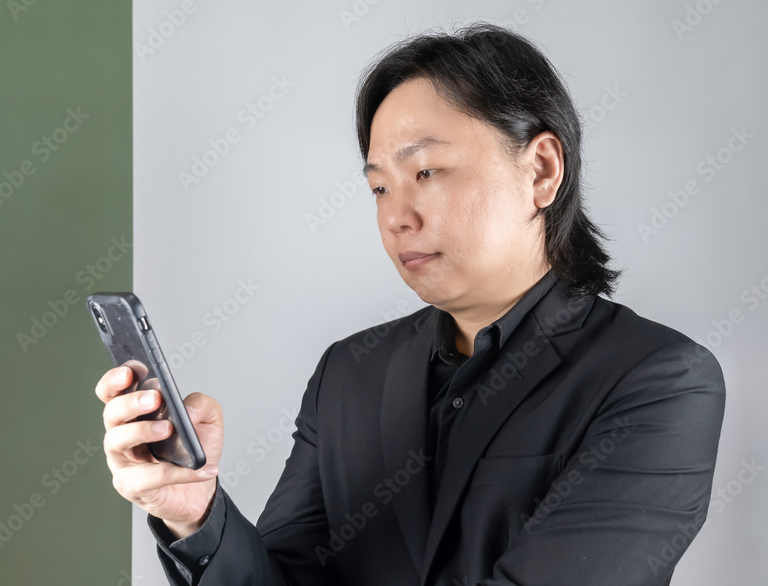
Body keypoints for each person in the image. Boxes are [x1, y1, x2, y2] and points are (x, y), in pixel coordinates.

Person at [95, 23, 726, 586]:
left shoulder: (658, 381)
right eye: (377, 186)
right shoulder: (349, 374)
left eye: (425, 172)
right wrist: (197, 516)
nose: (396, 216)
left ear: (540, 170)